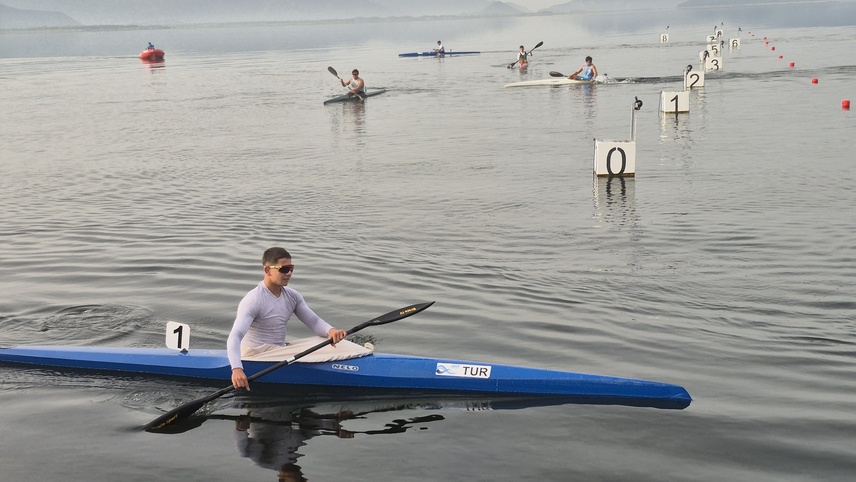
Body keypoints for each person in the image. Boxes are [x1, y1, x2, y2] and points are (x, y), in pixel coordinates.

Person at [227, 247, 347, 391]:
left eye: (291, 268)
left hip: (278, 350)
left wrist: (331, 331)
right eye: (283, 269)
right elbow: (235, 336)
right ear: (267, 270)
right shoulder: (253, 300)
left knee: (327, 341)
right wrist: (236, 369)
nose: (289, 273)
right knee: (328, 349)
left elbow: (313, 321)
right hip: (256, 355)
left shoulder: (292, 296)